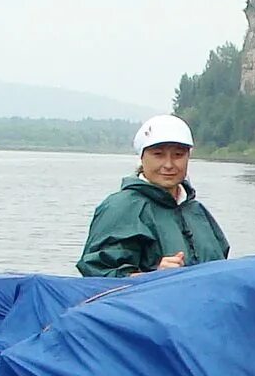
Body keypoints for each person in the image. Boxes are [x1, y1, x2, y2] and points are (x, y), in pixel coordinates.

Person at [78, 114, 230, 277]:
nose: (169, 164)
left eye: (178, 155)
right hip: (150, 302)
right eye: (158, 154)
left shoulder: (197, 211)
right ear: (142, 157)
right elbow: (97, 275)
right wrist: (154, 275)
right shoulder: (120, 208)